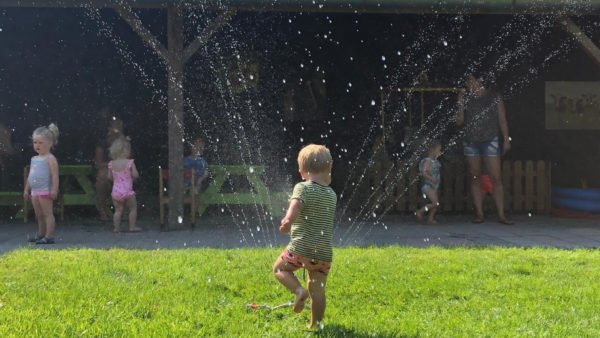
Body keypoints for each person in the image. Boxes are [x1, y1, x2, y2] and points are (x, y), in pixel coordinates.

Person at [272, 144, 337, 330]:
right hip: (324, 253)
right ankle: (315, 324)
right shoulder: (332, 195)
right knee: (318, 290)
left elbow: (296, 205)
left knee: (279, 269)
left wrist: (288, 221)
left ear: (302, 171)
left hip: (301, 247)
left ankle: (299, 290)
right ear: (329, 167)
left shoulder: (302, 188)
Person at [457, 73, 513, 225]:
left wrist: (506, 139)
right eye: (468, 82)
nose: (470, 84)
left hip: (490, 140)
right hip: (471, 141)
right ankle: (479, 213)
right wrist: (460, 102)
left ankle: (501, 214)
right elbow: (459, 121)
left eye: (472, 81)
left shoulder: (494, 97)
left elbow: (502, 119)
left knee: (496, 178)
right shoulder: (466, 98)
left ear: (480, 81)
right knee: (475, 177)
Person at [23, 123, 60, 244]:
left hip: (45, 190)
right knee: (39, 215)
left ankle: (49, 236)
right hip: (34, 191)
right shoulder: (34, 159)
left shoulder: (50, 158)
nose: (37, 145)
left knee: (47, 214)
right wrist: (26, 190)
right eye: (35, 142)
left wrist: (54, 190)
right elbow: (31, 176)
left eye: (40, 143)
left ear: (49, 143)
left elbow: (55, 175)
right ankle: (41, 234)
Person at [107, 136, 141, 233]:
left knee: (118, 211)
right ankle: (132, 226)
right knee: (133, 209)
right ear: (125, 150)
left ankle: (116, 228)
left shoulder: (111, 164)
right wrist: (133, 177)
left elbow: (109, 177)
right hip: (128, 191)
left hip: (116, 192)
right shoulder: (130, 162)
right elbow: (135, 174)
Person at [95, 117, 123, 221]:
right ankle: (102, 209)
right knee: (102, 177)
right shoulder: (102, 143)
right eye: (115, 126)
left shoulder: (124, 142)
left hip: (121, 169)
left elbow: (129, 159)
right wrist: (112, 164)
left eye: (119, 126)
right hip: (107, 169)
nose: (117, 128)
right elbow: (98, 164)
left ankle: (123, 211)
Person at [415, 140, 442, 224]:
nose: (440, 152)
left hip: (434, 185)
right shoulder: (428, 161)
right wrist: (431, 179)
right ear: (432, 150)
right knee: (435, 203)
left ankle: (430, 218)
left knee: (435, 203)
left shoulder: (434, 161)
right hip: (428, 185)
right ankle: (420, 211)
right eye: (438, 150)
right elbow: (423, 172)